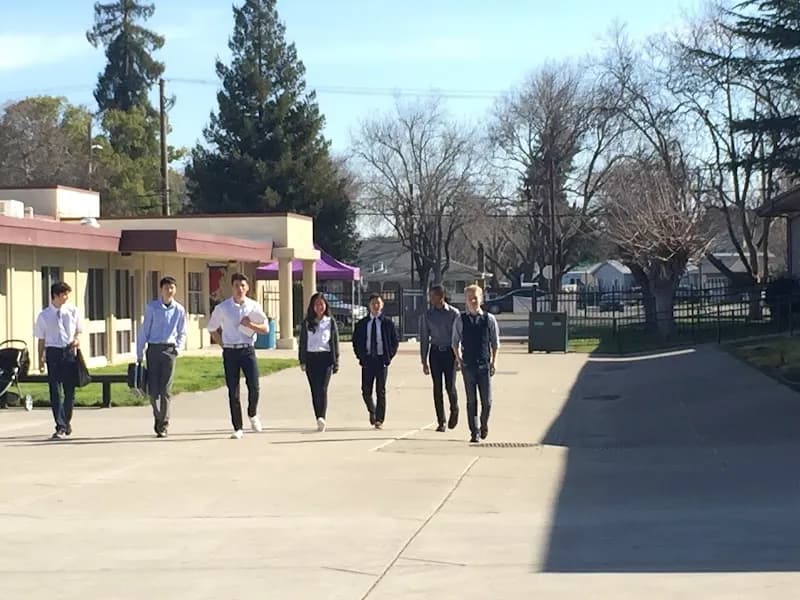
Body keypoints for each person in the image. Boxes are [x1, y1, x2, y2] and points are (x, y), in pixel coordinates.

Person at [206, 273, 269, 439]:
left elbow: (265, 329)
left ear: (247, 288)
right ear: (231, 288)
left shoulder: (254, 306)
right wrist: (223, 345)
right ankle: (238, 427)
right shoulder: (223, 308)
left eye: (242, 285)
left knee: (254, 386)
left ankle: (253, 413)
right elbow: (212, 328)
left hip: (247, 349)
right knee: (233, 390)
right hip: (231, 351)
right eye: (236, 286)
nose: (239, 289)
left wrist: (251, 324)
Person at [136, 276, 187, 438]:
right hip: (153, 349)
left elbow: (182, 331)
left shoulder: (179, 309)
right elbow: (144, 330)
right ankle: (157, 416)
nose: (169, 291)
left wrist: (177, 348)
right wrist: (139, 352)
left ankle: (163, 424)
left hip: (169, 349)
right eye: (166, 288)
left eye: (172, 288)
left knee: (165, 389)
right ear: (161, 290)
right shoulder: (152, 307)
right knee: (154, 389)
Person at [34, 281, 83, 440]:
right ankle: (60, 425)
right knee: (55, 390)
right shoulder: (44, 315)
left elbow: (77, 331)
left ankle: (66, 421)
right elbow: (41, 340)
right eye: (64, 294)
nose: (66, 297)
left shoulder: (73, 311)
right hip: (53, 352)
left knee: (69, 391)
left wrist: (76, 340)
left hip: (68, 351)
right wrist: (40, 359)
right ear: (55, 295)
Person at [452, 284, 500, 444]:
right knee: (471, 400)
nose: (473, 301)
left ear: (481, 299)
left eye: (476, 298)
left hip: (484, 364)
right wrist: (459, 361)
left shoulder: (489, 319)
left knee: (487, 401)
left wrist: (494, 361)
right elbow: (455, 342)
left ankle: (484, 423)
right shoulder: (461, 319)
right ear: (465, 300)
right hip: (468, 365)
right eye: (470, 298)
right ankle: (474, 431)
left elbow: (495, 343)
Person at [352, 293, 398, 429]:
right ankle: (372, 410)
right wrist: (361, 357)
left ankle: (379, 419)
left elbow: (394, 342)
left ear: (382, 305)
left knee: (381, 391)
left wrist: (388, 357)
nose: (376, 306)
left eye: (378, 303)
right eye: (373, 303)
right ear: (369, 306)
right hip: (367, 360)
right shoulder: (362, 324)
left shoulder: (387, 323)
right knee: (366, 390)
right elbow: (356, 342)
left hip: (381, 360)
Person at [419, 284, 461, 432]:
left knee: (450, 386)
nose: (430, 299)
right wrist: (424, 360)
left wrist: (458, 358)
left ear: (441, 296)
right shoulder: (427, 315)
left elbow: (459, 337)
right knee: (437, 388)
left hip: (450, 352)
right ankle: (441, 420)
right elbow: (424, 337)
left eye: (433, 296)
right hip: (435, 352)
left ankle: (454, 410)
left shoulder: (454, 314)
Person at [298, 292, 340, 432]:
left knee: (323, 388)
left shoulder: (330, 322)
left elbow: (334, 342)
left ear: (325, 306)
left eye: (321, 304)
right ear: (312, 306)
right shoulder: (307, 322)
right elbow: (303, 342)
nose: (319, 307)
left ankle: (322, 416)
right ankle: (318, 417)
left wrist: (336, 361)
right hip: (311, 358)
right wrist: (302, 360)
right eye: (316, 304)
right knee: (314, 389)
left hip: (326, 358)